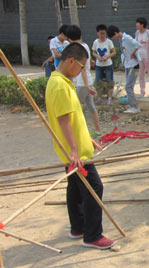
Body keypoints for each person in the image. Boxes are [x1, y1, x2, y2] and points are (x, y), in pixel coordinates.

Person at [45, 43, 113, 249]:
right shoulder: (59, 85)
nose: (81, 71)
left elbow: (74, 119)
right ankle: (92, 236)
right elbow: (63, 120)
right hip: (75, 153)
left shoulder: (62, 81)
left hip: (75, 148)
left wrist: (87, 139)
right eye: (82, 67)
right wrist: (75, 150)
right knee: (94, 187)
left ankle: (78, 227)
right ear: (71, 61)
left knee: (75, 187)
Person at [65, 25, 102, 138]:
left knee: (74, 108)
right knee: (90, 106)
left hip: (83, 83)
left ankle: (77, 133)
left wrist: (86, 86)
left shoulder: (77, 49)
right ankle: (98, 130)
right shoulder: (85, 45)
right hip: (87, 81)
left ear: (70, 39)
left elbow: (82, 69)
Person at [107, 25, 141, 114]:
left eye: (113, 37)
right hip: (127, 64)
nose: (113, 39)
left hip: (134, 65)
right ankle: (132, 105)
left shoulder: (127, 38)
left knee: (128, 87)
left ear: (115, 33)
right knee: (129, 86)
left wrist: (133, 53)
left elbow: (138, 44)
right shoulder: (121, 40)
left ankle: (135, 107)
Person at [92, 24, 116, 105]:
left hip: (108, 64)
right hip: (99, 65)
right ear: (97, 33)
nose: (102, 35)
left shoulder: (109, 42)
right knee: (97, 81)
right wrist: (98, 57)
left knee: (109, 81)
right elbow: (93, 52)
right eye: (101, 33)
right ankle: (99, 97)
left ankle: (109, 97)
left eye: (104, 33)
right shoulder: (95, 42)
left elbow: (114, 52)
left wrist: (107, 57)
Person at [135, 17, 149, 98]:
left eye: (138, 23)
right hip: (140, 57)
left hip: (148, 57)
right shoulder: (137, 33)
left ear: (142, 24)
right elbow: (135, 43)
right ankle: (142, 91)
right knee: (141, 75)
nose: (136, 25)